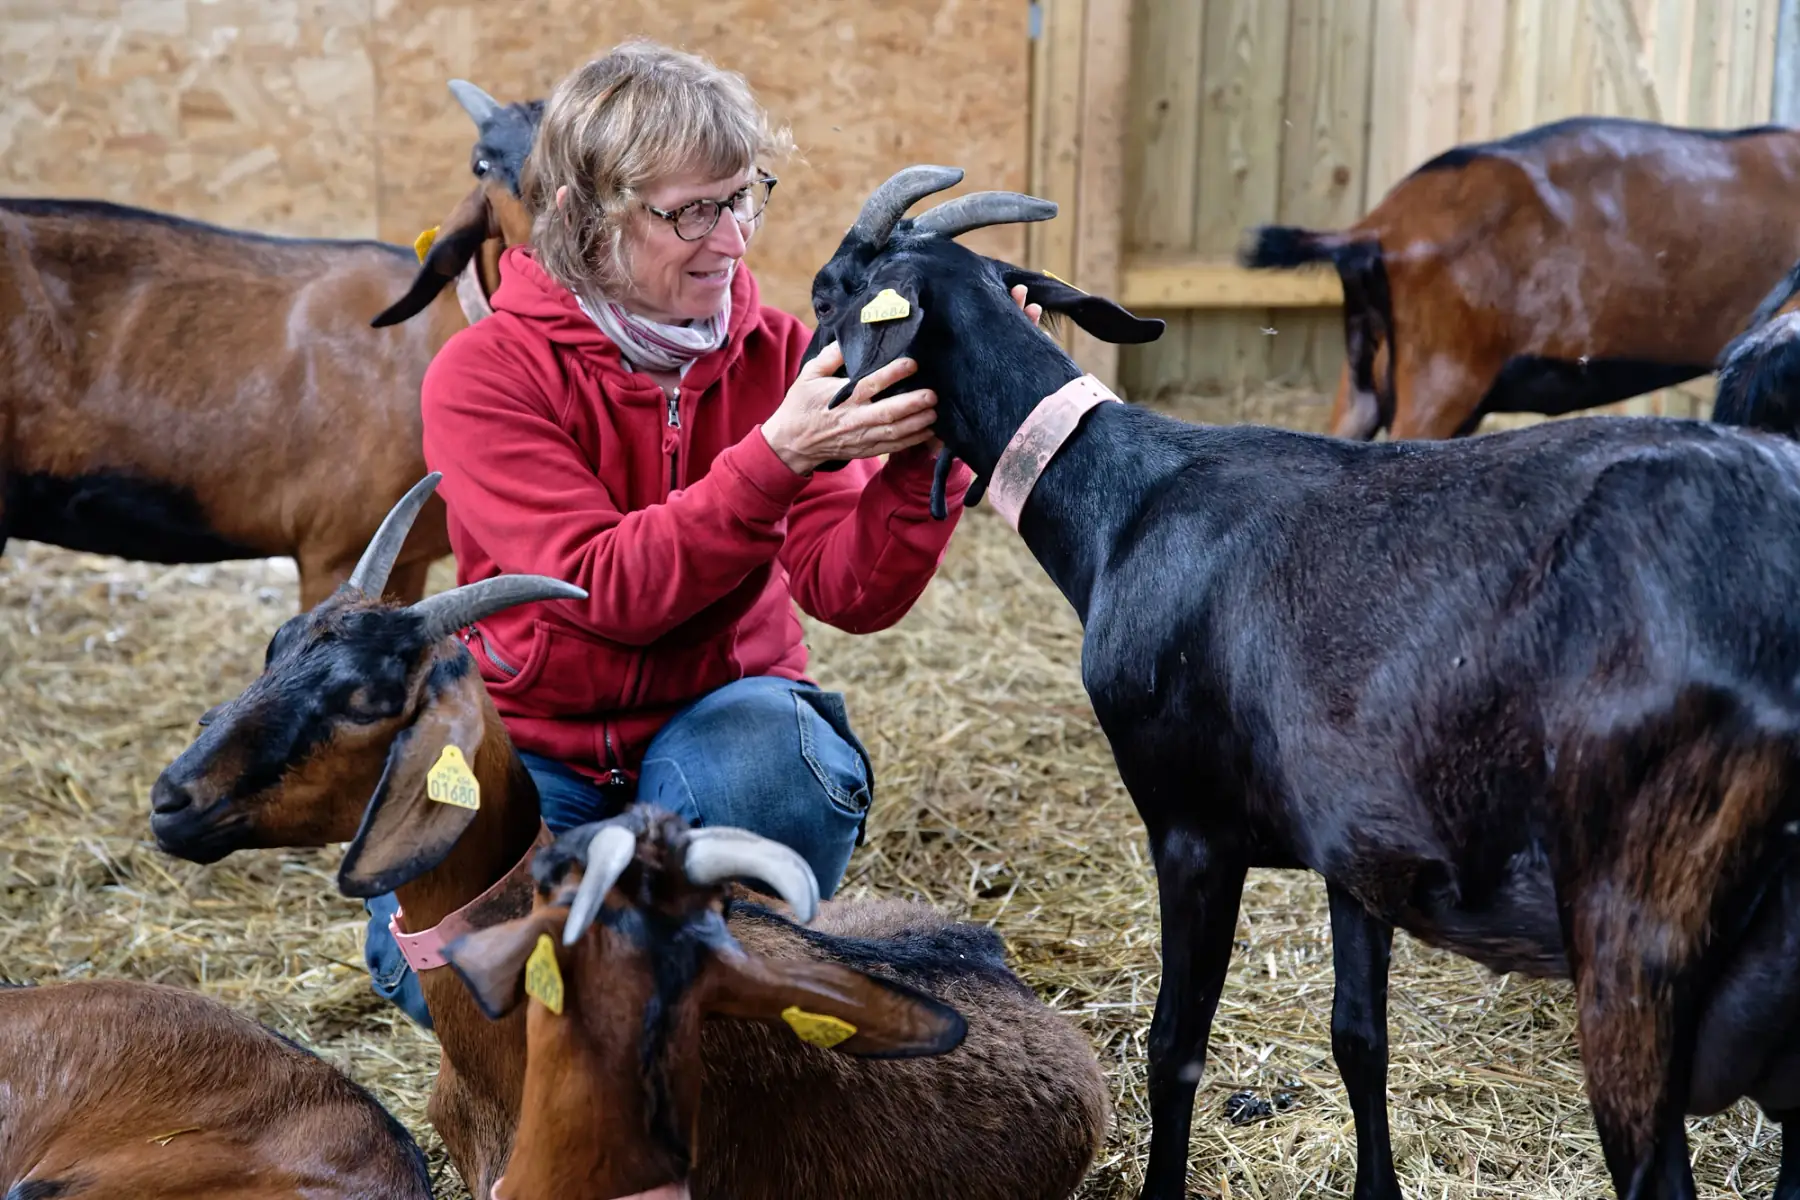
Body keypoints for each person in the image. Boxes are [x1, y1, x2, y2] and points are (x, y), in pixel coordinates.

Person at [361, 40, 1042, 1028]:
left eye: (744, 199)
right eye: (690, 213)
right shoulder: (485, 375)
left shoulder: (777, 355)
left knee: (778, 760)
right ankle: (673, 989)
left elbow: (848, 590)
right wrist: (775, 457)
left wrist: (931, 450)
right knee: (445, 980)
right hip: (536, 751)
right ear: (581, 218)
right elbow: (599, 589)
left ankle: (687, 995)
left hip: (716, 742)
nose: (731, 242)